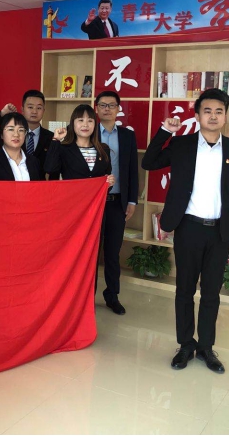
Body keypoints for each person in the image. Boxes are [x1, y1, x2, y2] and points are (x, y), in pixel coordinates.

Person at [141, 88, 229, 374]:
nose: (213, 116)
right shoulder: (182, 145)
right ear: (198, 115)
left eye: (219, 111)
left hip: (220, 232)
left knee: (211, 293)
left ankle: (206, 348)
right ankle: (186, 345)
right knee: (185, 290)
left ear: (225, 116)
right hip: (188, 227)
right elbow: (148, 162)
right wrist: (166, 131)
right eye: (207, 111)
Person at [95, 90, 139, 315]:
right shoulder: (88, 131)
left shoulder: (127, 136)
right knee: (91, 254)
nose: (107, 109)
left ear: (118, 109)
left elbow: (132, 170)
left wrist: (132, 200)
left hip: (116, 202)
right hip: (92, 204)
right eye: (103, 105)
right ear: (96, 108)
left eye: (111, 105)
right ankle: (86, 297)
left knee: (113, 253)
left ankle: (112, 296)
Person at [0, 89, 54, 178]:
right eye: (30, 107)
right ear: (22, 109)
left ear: (44, 110)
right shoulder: (6, 135)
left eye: (39, 108)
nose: (34, 111)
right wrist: (1, 114)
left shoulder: (52, 138)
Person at [44, 104, 115, 183]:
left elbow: (106, 180)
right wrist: (56, 139)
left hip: (97, 192)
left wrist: (109, 183)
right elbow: (49, 169)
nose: (85, 125)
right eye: (81, 120)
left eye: (90, 121)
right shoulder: (64, 149)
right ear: (73, 123)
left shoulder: (104, 149)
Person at [0, 112, 42, 181]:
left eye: (21, 130)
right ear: (1, 134)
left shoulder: (34, 162)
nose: (16, 134)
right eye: (11, 129)